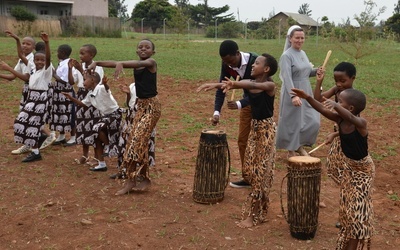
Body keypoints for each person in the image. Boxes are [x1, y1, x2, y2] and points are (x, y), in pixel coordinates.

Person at [291, 87, 375, 250]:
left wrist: (335, 106)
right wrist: (308, 97)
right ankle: (346, 242)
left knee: (358, 211)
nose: (336, 103)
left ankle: (352, 245)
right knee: (348, 210)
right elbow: (321, 108)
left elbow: (351, 117)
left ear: (350, 108)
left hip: (363, 171)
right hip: (350, 169)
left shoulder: (361, 123)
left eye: (340, 101)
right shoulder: (341, 121)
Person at [88, 39, 161, 195]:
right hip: (139, 107)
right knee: (135, 143)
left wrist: (121, 63)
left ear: (152, 52)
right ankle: (142, 178)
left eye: (147, 47)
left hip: (152, 108)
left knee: (135, 143)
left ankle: (131, 181)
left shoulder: (151, 62)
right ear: (136, 50)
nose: (143, 49)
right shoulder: (136, 62)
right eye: (140, 47)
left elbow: (129, 64)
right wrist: (97, 63)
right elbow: (117, 63)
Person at [0, 32, 52, 162]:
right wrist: (17, 39)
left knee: (32, 126)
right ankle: (39, 139)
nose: (40, 62)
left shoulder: (46, 71)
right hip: (31, 98)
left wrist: (46, 43)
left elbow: (49, 58)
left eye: (42, 60)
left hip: (40, 99)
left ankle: (36, 152)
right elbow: (21, 56)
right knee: (21, 122)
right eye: (37, 60)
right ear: (33, 61)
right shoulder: (32, 68)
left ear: (46, 62)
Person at [213, 40, 259, 188]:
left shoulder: (256, 62)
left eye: (231, 61)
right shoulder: (227, 64)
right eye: (226, 62)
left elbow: (257, 89)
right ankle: (248, 177)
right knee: (243, 140)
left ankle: (261, 176)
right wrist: (216, 112)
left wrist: (239, 104)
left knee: (260, 142)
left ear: (238, 54)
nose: (230, 65)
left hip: (261, 105)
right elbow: (222, 87)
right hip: (246, 104)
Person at [62, 72, 123, 172]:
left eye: (85, 79)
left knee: (96, 128)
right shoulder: (90, 94)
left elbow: (107, 90)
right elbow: (83, 104)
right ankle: (101, 164)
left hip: (115, 115)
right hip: (106, 117)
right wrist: (71, 98)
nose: (83, 82)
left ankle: (108, 146)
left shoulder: (101, 88)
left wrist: (105, 84)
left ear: (93, 80)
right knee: (96, 138)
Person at [276, 25, 321, 158]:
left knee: (312, 120)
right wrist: (293, 96)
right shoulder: (286, 56)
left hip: (305, 90)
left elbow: (305, 73)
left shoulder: (303, 53)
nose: (300, 40)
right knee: (293, 121)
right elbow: (287, 76)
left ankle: (299, 145)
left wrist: (316, 71)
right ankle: (292, 149)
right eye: (297, 38)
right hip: (293, 90)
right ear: (290, 39)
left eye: (302, 38)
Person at [314, 62, 357, 185]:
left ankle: (350, 185)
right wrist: (319, 82)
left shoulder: (353, 97)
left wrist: (335, 135)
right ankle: (345, 185)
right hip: (340, 131)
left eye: (343, 81)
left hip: (349, 135)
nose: (339, 84)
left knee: (347, 163)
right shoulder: (337, 89)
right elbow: (317, 99)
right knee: (336, 163)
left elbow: (354, 125)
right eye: (336, 80)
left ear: (352, 78)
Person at [110, 81, 157, 179]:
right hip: (131, 117)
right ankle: (124, 170)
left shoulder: (149, 85)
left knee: (141, 144)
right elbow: (129, 104)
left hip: (143, 118)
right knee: (125, 142)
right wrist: (128, 94)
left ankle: (141, 172)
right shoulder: (133, 85)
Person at [69, 44, 104, 165]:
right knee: (82, 125)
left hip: (92, 97)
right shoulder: (79, 66)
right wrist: (70, 69)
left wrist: (79, 69)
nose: (80, 56)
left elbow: (93, 83)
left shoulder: (97, 67)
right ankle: (84, 154)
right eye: (80, 53)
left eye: (83, 53)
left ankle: (96, 157)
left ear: (91, 55)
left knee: (93, 126)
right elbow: (71, 81)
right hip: (81, 95)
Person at [51, 44, 78, 146]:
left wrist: (54, 74)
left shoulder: (68, 64)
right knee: (60, 115)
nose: (57, 53)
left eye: (58, 51)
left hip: (66, 93)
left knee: (69, 115)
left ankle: (73, 137)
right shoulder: (62, 63)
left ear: (62, 52)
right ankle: (61, 136)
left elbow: (66, 81)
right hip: (59, 93)